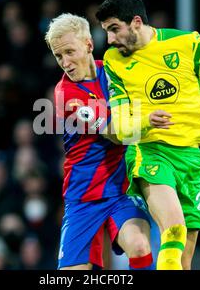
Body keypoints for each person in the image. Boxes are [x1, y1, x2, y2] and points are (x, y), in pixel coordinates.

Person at [95, 0, 200, 270]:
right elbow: (123, 127)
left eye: (114, 29)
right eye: (106, 32)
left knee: (183, 260)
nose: (109, 39)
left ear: (136, 22)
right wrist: (147, 121)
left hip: (193, 157)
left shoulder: (188, 43)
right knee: (173, 229)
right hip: (150, 152)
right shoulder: (114, 61)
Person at [44, 13, 154, 270]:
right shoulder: (67, 95)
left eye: (70, 52)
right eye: (59, 56)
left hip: (121, 191)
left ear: (88, 45)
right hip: (83, 197)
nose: (65, 63)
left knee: (139, 246)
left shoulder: (114, 71)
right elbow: (118, 134)